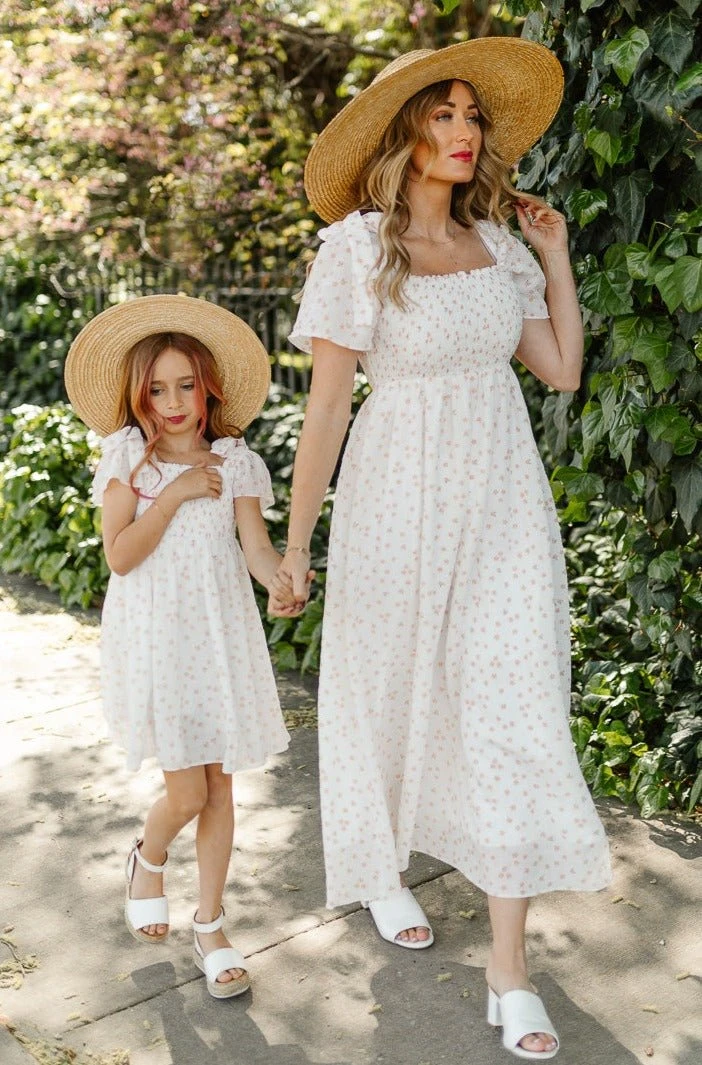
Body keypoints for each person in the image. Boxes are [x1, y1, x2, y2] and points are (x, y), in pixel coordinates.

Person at [272, 39, 611, 1059]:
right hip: (394, 502)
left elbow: (560, 370)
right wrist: (296, 545)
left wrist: (554, 255)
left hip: (502, 507)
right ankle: (379, 867)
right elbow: (328, 410)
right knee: (385, 687)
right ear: (403, 135)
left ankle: (510, 971)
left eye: (473, 117)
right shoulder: (353, 249)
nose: (465, 132)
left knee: (514, 712)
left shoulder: (499, 246)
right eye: (444, 115)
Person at [64, 295, 309, 1000]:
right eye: (157, 390)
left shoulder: (234, 461)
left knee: (221, 787)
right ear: (138, 396)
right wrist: (172, 496)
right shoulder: (128, 461)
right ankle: (148, 857)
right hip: (159, 644)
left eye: (186, 386)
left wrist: (280, 579)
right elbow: (120, 555)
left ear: (209, 389)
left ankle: (210, 924)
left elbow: (254, 546)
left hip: (218, 637)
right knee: (187, 791)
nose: (173, 403)